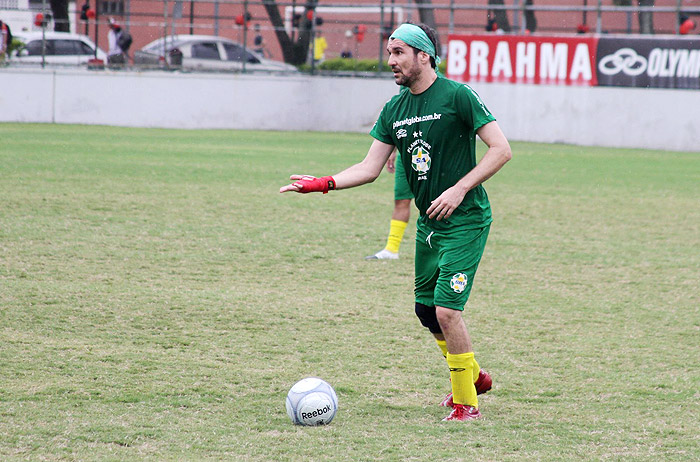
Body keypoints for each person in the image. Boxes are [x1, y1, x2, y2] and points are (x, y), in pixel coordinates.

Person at [280, 22, 512, 422]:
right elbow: (370, 168)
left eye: (399, 53)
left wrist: (459, 189)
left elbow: (501, 150)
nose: (391, 62)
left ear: (424, 56)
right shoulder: (395, 108)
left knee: (446, 311)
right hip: (429, 224)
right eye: (390, 53)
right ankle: (474, 377)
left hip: (467, 219)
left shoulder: (457, 95)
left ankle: (466, 405)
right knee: (425, 310)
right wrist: (324, 183)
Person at [365, 149, 414, 260]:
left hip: (436, 153)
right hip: (407, 153)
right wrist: (392, 150)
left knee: (434, 200)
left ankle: (442, 250)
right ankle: (391, 249)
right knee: (401, 199)